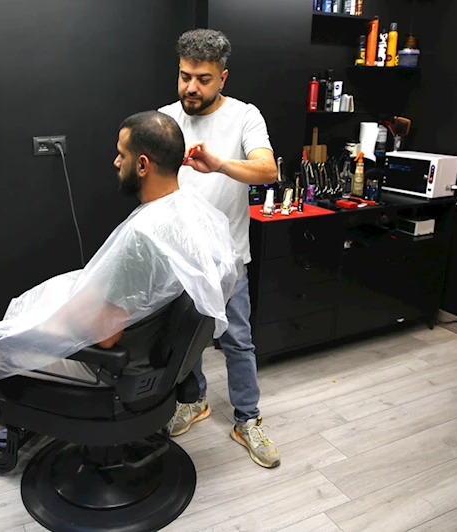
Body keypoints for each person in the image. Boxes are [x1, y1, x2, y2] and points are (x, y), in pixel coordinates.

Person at [0, 111, 243, 447]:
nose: (116, 162)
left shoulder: (142, 237)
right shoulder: (192, 212)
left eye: (122, 154)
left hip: (114, 369)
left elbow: (106, 339)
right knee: (42, 305)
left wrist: (44, 331)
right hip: (154, 356)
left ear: (143, 165)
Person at [159, 29, 281, 468]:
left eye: (203, 79)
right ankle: (194, 401)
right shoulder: (165, 118)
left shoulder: (245, 117)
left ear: (223, 78)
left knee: (238, 342)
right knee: (183, 340)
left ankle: (247, 419)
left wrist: (220, 165)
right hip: (179, 258)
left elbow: (267, 170)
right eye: (185, 76)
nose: (191, 87)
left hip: (228, 260)